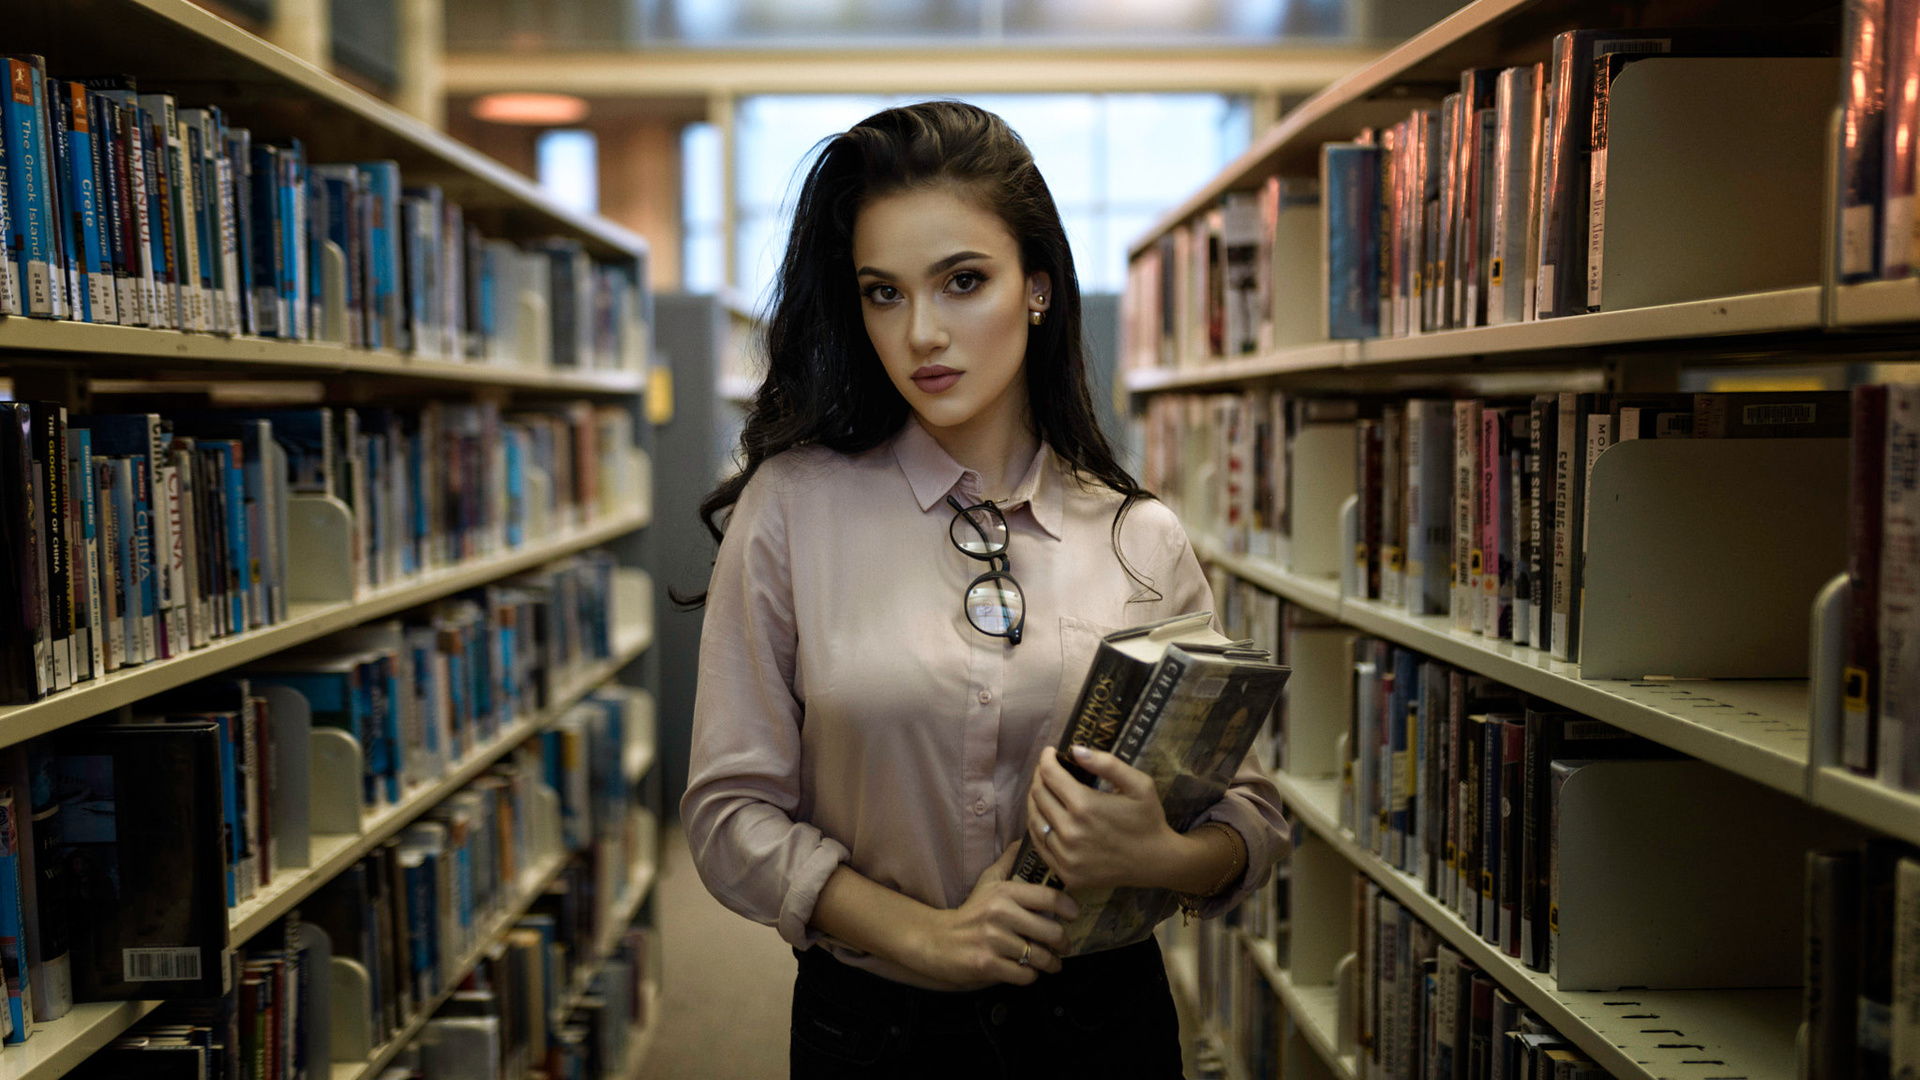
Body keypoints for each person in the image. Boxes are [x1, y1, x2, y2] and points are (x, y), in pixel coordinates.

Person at [680, 100, 1288, 1078]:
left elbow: (1248, 815)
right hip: (875, 1028)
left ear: (1038, 288)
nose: (922, 333)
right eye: (884, 293)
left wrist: (1160, 858)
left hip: (1105, 1027)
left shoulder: (1141, 538)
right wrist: (928, 937)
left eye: (963, 281)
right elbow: (727, 813)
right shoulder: (792, 510)